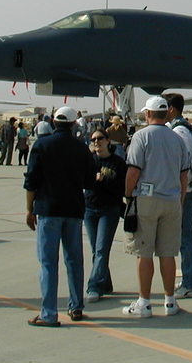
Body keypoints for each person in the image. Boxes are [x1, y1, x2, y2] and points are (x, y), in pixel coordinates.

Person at [24, 106, 94, 327]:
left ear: (53, 122)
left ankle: (49, 313)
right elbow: (90, 181)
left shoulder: (42, 145)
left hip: (48, 209)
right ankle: (77, 306)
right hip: (73, 209)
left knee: (48, 263)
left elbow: (31, 180)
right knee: (74, 260)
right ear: (73, 124)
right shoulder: (81, 148)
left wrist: (29, 209)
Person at [122, 95, 189, 318]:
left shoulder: (141, 136)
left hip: (147, 199)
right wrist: (180, 200)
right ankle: (170, 302)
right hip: (172, 200)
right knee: (168, 253)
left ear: (148, 114)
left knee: (144, 252)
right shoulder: (177, 138)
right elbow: (184, 175)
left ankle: (144, 302)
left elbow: (133, 170)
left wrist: (128, 195)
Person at [164, 93, 192, 299]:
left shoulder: (180, 131)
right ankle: (189, 279)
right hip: (187, 189)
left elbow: (182, 163)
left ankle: (190, 284)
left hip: (186, 190)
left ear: (171, 109)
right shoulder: (180, 129)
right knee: (185, 237)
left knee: (185, 238)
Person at [84, 129, 126, 303]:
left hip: (109, 210)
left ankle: (94, 286)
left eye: (100, 138)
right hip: (90, 209)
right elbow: (83, 181)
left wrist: (104, 181)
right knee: (96, 250)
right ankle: (105, 284)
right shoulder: (89, 161)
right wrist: (92, 180)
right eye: (93, 139)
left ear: (108, 141)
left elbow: (122, 187)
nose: (96, 142)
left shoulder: (117, 163)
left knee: (102, 249)